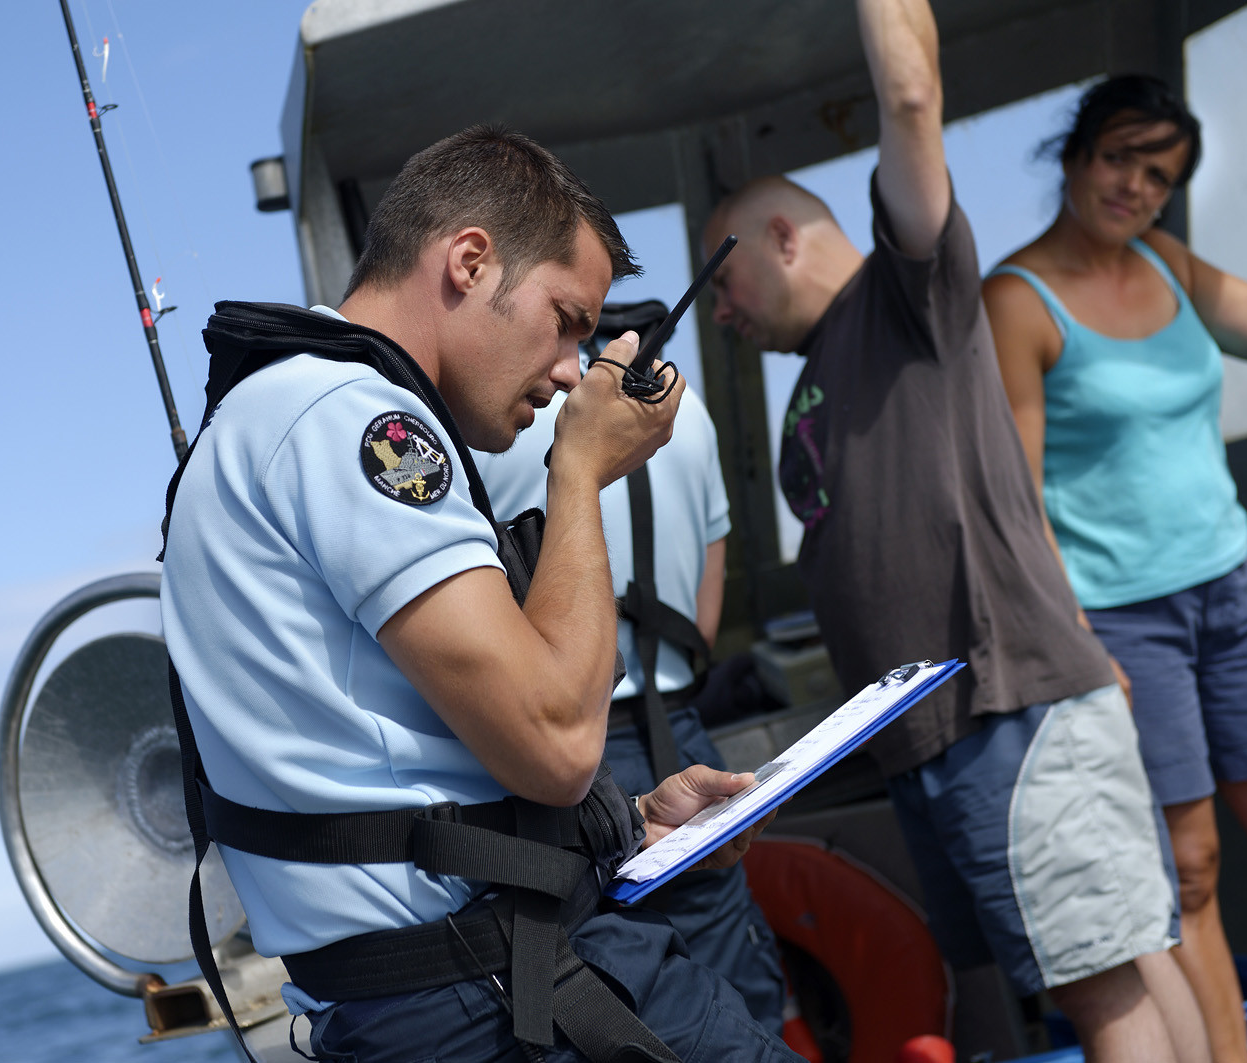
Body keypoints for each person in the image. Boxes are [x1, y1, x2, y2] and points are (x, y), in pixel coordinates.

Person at [159, 125, 796, 1063]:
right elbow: (553, 743)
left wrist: (631, 825)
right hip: (494, 998)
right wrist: (575, 474)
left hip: (460, 989)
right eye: (568, 320)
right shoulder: (356, 420)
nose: (574, 369)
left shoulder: (280, 411)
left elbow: (397, 765)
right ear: (468, 261)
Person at [699, 1, 1212, 1060]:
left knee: (1101, 983)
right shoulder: (817, 375)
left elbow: (911, 97)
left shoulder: (908, 293)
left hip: (1004, 704)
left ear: (785, 238)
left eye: (719, 279)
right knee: (1120, 957)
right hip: (939, 736)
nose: (717, 312)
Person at [983, 74, 1247, 1063]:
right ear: (1073, 157)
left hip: (1234, 592)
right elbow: (1018, 504)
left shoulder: (1167, 258)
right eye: (1120, 159)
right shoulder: (1013, 299)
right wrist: (1073, 640)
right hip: (1121, 621)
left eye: (1159, 175)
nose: (1136, 187)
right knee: (1188, 866)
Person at [477, 303, 787, 1036]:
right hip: (683, 727)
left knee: (605, 969)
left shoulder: (517, 421)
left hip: (575, 744)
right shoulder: (694, 417)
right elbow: (707, 617)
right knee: (725, 959)